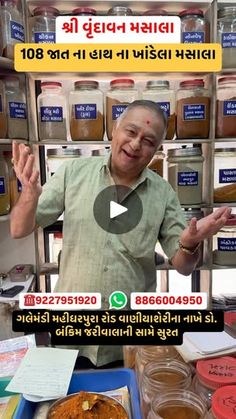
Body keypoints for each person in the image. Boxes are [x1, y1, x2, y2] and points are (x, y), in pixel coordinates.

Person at [10, 100, 231, 367]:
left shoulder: (163, 193)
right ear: (115, 129)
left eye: (148, 140)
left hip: (129, 339)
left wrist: (189, 244)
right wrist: (29, 195)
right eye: (131, 131)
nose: (136, 144)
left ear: (156, 149)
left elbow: (184, 268)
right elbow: (19, 228)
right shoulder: (73, 173)